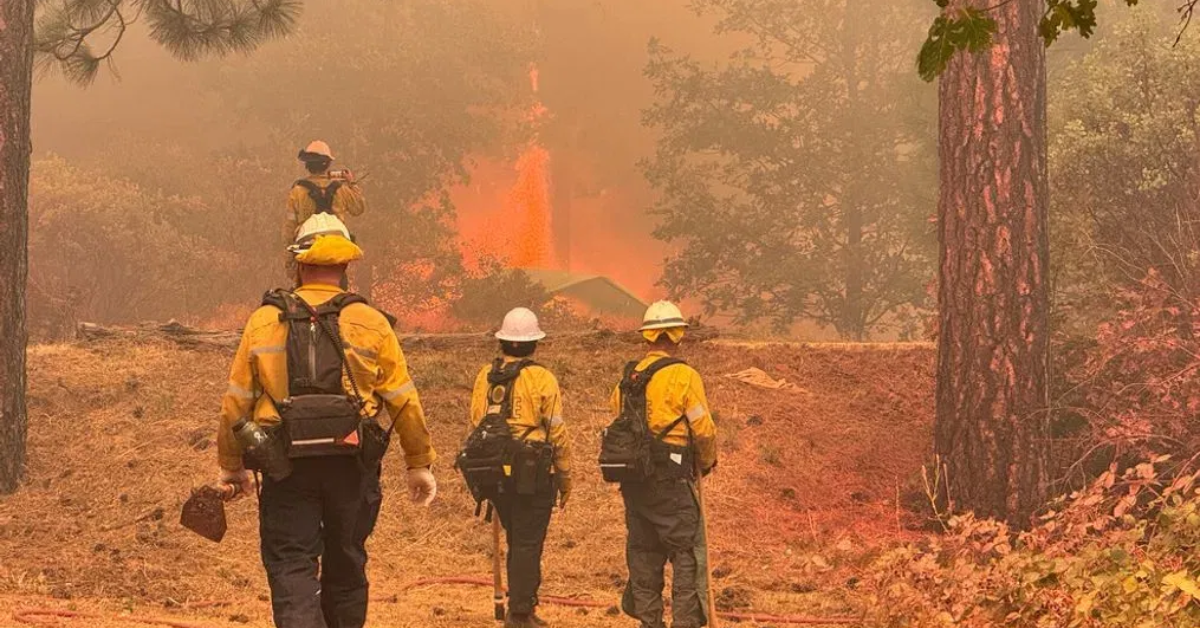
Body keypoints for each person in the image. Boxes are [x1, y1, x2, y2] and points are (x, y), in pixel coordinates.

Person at [216, 213, 437, 628]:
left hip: (285, 469)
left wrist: (232, 466)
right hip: (351, 466)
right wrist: (418, 463)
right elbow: (403, 400)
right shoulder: (370, 322)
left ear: (299, 264)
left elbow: (237, 402)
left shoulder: (264, 320)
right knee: (347, 562)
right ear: (345, 267)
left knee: (292, 563)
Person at [611, 301, 717, 628]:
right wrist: (707, 461)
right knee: (686, 551)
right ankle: (685, 623)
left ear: (647, 337)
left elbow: (619, 419)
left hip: (634, 481)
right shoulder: (684, 375)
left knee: (643, 552)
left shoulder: (629, 378)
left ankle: (649, 622)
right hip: (672, 480)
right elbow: (703, 430)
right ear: (676, 336)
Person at [467, 308, 572, 628]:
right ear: (534, 344)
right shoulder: (542, 378)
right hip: (533, 476)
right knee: (527, 542)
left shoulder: (486, 375)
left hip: (492, 473)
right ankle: (521, 614)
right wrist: (565, 475)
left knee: (517, 537)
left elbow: (476, 421)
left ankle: (520, 605)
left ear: (502, 341)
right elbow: (556, 431)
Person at [283, 140, 366, 244]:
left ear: (307, 164)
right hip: (337, 247)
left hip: (309, 250)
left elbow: (289, 228)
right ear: (328, 164)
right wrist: (352, 183)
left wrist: (289, 257)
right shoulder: (341, 189)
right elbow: (358, 209)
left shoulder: (297, 191)